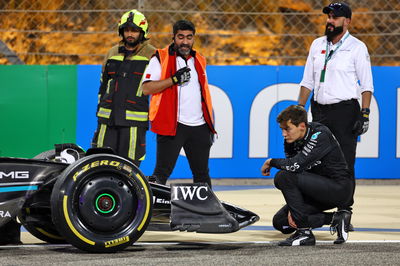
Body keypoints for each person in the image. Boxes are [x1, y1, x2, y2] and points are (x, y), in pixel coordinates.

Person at [297, 2, 374, 219]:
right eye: (329, 17)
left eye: (335, 17)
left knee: (345, 162)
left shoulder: (357, 47)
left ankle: (344, 209)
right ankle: (315, 206)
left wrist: (365, 113)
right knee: (314, 159)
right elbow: (307, 80)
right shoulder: (317, 44)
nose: (330, 21)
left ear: (347, 21)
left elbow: (367, 85)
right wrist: (299, 108)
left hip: (344, 111)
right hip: (318, 110)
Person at [261, 105, 353, 246]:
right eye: (282, 130)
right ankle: (336, 218)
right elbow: (296, 171)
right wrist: (295, 209)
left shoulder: (320, 134)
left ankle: (304, 233)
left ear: (302, 126)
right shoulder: (290, 142)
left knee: (283, 177)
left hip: (338, 189)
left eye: (287, 129)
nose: (284, 134)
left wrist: (271, 162)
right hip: (315, 190)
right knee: (281, 222)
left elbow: (295, 165)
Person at [141, 20, 216, 187]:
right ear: (173, 37)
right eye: (181, 37)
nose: (185, 42)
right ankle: (151, 210)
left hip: (200, 125)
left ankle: (206, 212)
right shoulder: (160, 58)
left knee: (202, 174)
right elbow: (146, 89)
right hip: (172, 125)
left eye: (189, 37)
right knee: (161, 172)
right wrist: (173, 80)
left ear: (193, 39)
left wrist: (209, 125)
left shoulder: (199, 60)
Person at [92, 9, 156, 167]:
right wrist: (101, 113)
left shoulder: (153, 55)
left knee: (130, 167)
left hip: (134, 122)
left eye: (134, 30)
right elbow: (103, 85)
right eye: (127, 30)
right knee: (102, 163)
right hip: (107, 120)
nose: (130, 34)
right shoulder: (112, 53)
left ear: (143, 32)